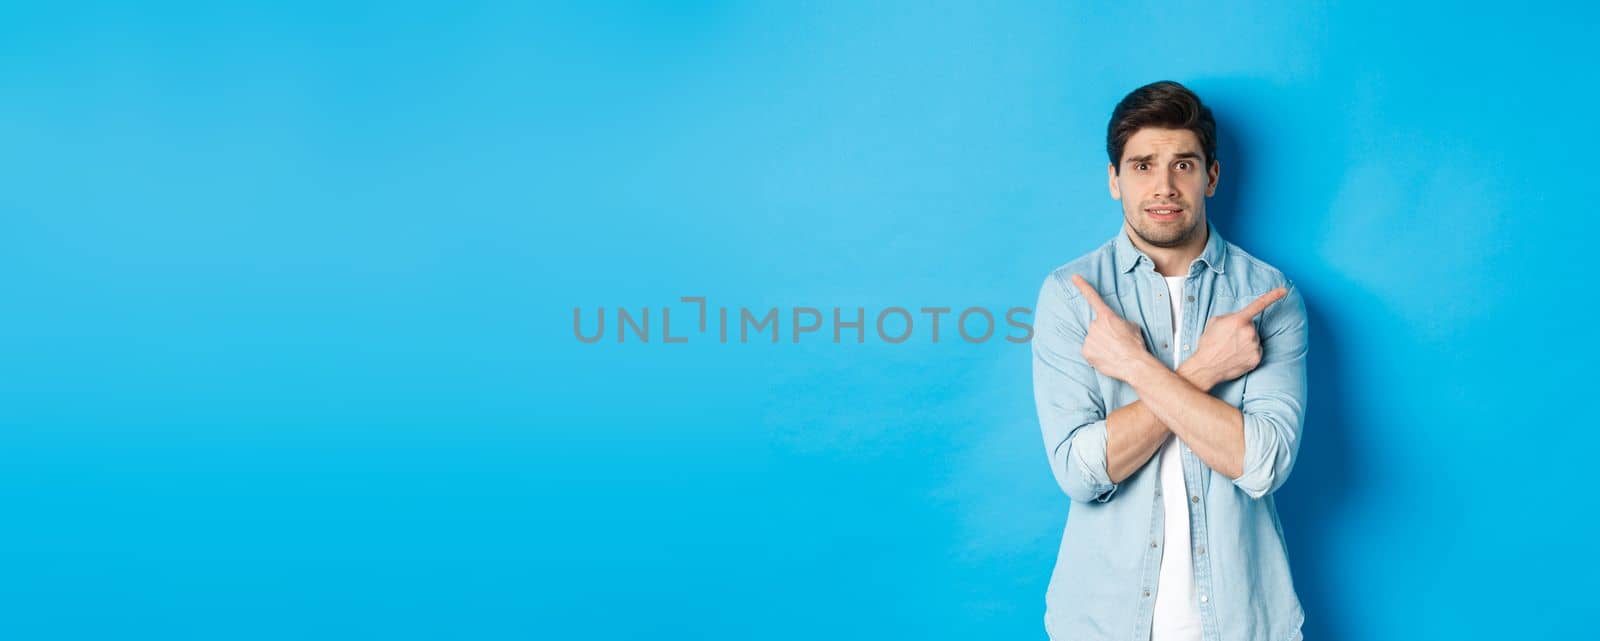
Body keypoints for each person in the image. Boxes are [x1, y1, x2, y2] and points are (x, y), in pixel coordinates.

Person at [1032, 81, 1309, 641]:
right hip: (1101, 624)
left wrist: (1133, 366)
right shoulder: (1071, 295)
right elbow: (1082, 471)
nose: (1163, 186)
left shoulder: (1268, 296)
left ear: (1211, 176)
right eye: (1141, 166)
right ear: (1114, 180)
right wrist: (1206, 370)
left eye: (1183, 164)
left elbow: (1264, 463)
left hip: (1243, 623)